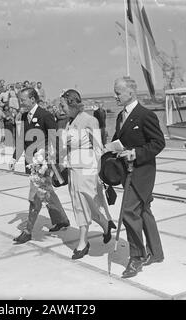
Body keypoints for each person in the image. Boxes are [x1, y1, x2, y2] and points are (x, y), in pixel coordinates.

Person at [111, 76, 165, 278]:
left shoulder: (145, 115)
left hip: (142, 173)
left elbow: (158, 143)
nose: (115, 96)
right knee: (143, 210)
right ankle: (157, 253)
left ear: (130, 93)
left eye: (118, 92)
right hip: (127, 172)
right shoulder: (120, 116)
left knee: (128, 212)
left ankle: (136, 257)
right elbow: (120, 141)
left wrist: (135, 153)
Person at [59, 89, 116, 259]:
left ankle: (83, 242)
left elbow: (98, 147)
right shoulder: (69, 123)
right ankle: (105, 225)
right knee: (80, 205)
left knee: (86, 203)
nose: (61, 109)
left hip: (87, 170)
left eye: (63, 105)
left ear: (72, 103)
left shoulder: (90, 120)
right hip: (73, 170)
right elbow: (67, 147)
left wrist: (101, 173)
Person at [9, 87, 70, 244]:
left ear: (32, 99)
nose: (20, 102)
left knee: (34, 196)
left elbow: (55, 139)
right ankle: (61, 220)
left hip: (42, 163)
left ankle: (28, 231)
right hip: (31, 162)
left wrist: (56, 159)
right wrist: (14, 158)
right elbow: (22, 139)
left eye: (23, 99)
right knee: (47, 191)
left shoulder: (45, 115)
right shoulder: (23, 116)